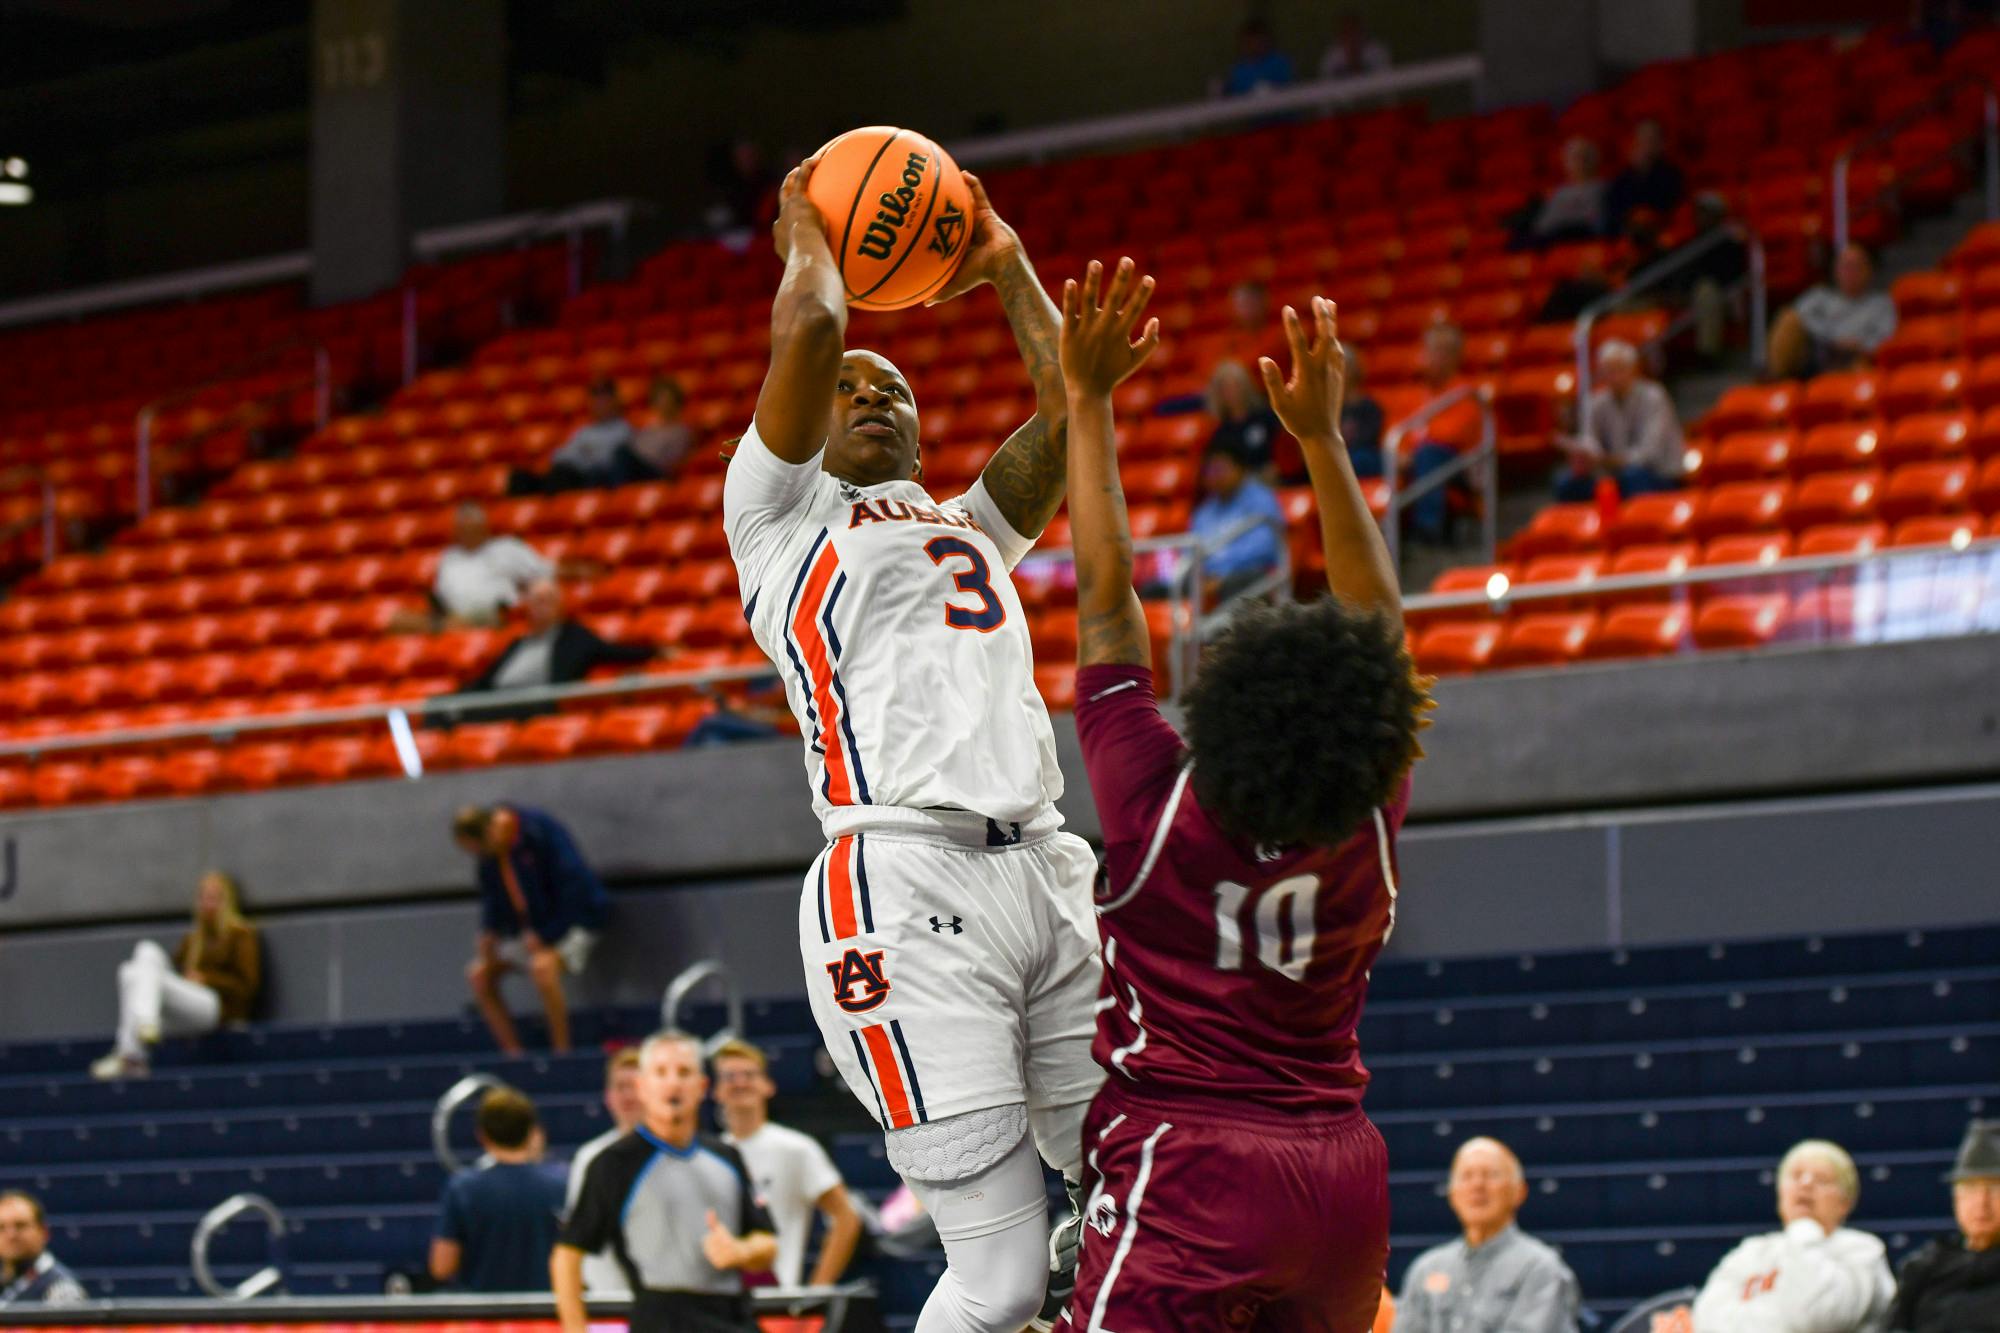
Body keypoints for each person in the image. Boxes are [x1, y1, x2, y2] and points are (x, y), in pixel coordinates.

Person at [724, 155, 1105, 1333]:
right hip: (899, 876)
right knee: (999, 1278)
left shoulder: (969, 522)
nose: (869, 392)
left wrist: (1005, 263)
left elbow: (1074, 412)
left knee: (1131, 1196)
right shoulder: (775, 517)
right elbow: (812, 323)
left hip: (1045, 862)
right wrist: (805, 221)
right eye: (848, 387)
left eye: (891, 385)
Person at [1055, 270, 1428, 1328]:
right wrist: (1323, 441)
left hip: (1191, 1161)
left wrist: (1086, 398)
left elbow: (1106, 597)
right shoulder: (1367, 808)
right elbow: (1380, 634)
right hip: (1341, 1179)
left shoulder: (1155, 801)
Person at [554, 1031, 777, 1333]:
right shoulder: (614, 1163)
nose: (673, 1083)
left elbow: (767, 1241)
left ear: (702, 1086)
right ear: (642, 1087)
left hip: (733, 1315)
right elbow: (567, 1256)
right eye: (661, 1072)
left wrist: (740, 1251)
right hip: (661, 1319)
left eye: (684, 1072)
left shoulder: (727, 1156)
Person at [1692, 1138, 1896, 1332]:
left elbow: (1819, 1317)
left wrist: (1805, 1231)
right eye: (1796, 1176)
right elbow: (1707, 1320)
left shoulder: (1862, 1250)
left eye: (1822, 1180)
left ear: (1845, 1202)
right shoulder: (1751, 1251)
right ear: (1780, 1193)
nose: (1805, 1184)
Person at [454, 803, 610, 1055]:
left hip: (576, 923)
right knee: (479, 975)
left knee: (542, 968)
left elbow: (575, 890)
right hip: (532, 935)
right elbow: (492, 899)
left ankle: (562, 1055)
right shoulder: (488, 857)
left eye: (481, 848)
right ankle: (515, 1057)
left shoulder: (538, 831)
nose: (481, 855)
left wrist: (548, 935)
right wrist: (489, 932)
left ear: (493, 830)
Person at [711, 1038, 863, 1289]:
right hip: (717, 1296)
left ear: (768, 1085)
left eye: (749, 1074)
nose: (740, 1082)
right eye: (729, 1076)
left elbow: (846, 1217)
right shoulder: (709, 1154)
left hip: (776, 1297)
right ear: (715, 1090)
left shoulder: (796, 1148)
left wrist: (817, 1290)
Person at [1396, 1138, 1582, 1333]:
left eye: (1491, 1175)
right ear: (1452, 1193)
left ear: (1519, 1191)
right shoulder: (1426, 1268)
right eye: (1466, 1176)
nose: (1477, 1185)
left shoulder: (1542, 1268)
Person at [90, 871, 260, 1079]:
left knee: (136, 973)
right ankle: (140, 1036)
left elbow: (248, 986)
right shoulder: (193, 939)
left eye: (214, 898)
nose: (208, 904)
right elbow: (171, 972)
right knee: (140, 959)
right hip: (185, 1010)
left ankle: (132, 1049)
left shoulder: (240, 935)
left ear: (227, 901)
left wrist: (207, 979)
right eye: (203, 898)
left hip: (215, 1008)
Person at [431, 1086, 566, 1294]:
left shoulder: (463, 1188)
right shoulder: (561, 1183)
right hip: (546, 1308)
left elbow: (441, 1266)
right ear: (531, 1131)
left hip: (484, 1309)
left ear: (482, 1135)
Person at [1888, 1120, 2000, 1331]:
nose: (1982, 1203)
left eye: (1995, 1188)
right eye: (1970, 1188)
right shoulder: (1925, 1267)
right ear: (1956, 1198)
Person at [459, 578, 658, 696]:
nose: (541, 607)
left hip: (536, 703)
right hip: (497, 699)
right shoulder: (518, 642)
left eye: (547, 601)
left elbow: (614, 651)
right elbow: (488, 680)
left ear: (559, 606)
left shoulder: (575, 638)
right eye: (536, 601)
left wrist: (657, 651)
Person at [1555, 339, 1684, 501]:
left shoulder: (1654, 397)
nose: (1613, 376)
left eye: (1618, 369)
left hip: (1659, 474)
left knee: (1634, 476)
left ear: (1633, 369)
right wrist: (1582, 453)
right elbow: (1590, 440)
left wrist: (1609, 460)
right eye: (1608, 371)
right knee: (1566, 482)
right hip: (1615, 473)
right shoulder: (1597, 402)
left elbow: (1649, 455)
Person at [397, 502, 556, 632]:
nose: (467, 532)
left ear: (483, 527)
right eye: (462, 527)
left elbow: (544, 574)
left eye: (471, 526)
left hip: (496, 615)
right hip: (453, 619)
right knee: (400, 620)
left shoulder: (506, 547)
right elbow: (440, 597)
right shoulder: (449, 557)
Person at [566, 1048, 644, 1298]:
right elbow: (576, 1235)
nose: (628, 1095)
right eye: (620, 1087)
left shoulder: (672, 1154)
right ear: (608, 1096)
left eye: (634, 1086)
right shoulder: (590, 1157)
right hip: (606, 1295)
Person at [1403, 320, 1483, 545]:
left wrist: (1412, 448)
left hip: (1462, 468)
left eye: (1440, 351)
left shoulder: (1466, 393)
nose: (1431, 357)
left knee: (1429, 453)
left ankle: (1428, 530)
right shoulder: (1414, 393)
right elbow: (1395, 431)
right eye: (1429, 350)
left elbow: (1452, 435)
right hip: (1414, 462)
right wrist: (1403, 452)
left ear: (1455, 357)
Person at [1769, 243, 1898, 378]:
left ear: (1869, 270)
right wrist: (1831, 338)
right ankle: (1776, 380)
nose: (1850, 272)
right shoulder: (1819, 296)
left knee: (1863, 367)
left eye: (1856, 266)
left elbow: (1885, 339)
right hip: (1815, 354)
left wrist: (1860, 345)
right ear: (1836, 270)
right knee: (1788, 319)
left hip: (1853, 357)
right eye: (1845, 266)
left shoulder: (1881, 304)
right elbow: (1796, 318)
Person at [1191, 439, 1286, 602]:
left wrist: (1221, 574)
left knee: (1241, 582)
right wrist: (1205, 576)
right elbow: (1191, 552)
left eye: (1221, 469)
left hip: (1249, 574)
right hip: (1209, 578)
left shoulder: (1261, 500)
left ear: (1241, 469)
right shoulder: (1203, 512)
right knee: (1157, 589)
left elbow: (1264, 548)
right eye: (1210, 470)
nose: (1215, 476)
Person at [509, 379, 635, 495]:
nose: (599, 404)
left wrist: (581, 455)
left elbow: (606, 460)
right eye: (596, 399)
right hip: (562, 474)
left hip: (583, 479)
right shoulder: (584, 431)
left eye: (604, 399)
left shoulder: (623, 429)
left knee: (561, 477)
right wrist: (584, 453)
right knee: (519, 478)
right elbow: (559, 456)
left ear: (615, 401)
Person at [1518, 137, 1608, 249]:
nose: (1580, 163)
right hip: (1553, 240)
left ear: (1595, 160)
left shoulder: (1604, 189)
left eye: (1584, 157)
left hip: (1583, 238)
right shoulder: (1559, 193)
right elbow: (1543, 226)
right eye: (1574, 158)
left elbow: (1595, 223)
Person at [0, 1192, 85, 1306]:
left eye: (20, 1226)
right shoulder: (6, 1280)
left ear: (44, 1232)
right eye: (1, 1227)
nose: (11, 1235)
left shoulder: (62, 1290)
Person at [1605, 119, 1685, 233]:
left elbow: (1668, 207)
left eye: (1652, 139)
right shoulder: (1622, 179)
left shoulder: (1672, 175)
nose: (1647, 145)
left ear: (1662, 144)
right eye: (1643, 140)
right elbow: (1615, 213)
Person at [1206, 359, 1283, 475]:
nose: (1232, 392)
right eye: (1225, 388)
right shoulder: (1221, 434)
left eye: (1236, 385)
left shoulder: (1267, 416)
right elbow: (1216, 471)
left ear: (1246, 386)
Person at [625, 377, 694, 483]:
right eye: (660, 399)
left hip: (658, 472)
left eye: (666, 398)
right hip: (638, 468)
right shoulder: (649, 428)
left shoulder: (681, 431)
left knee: (622, 454)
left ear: (676, 401)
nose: (663, 403)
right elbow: (636, 448)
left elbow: (673, 461)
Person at [1338, 344, 1386, 480]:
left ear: (1354, 370)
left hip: (1363, 460)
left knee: (1358, 459)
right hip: (1340, 457)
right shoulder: (1328, 409)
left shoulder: (1370, 407)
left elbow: (1368, 440)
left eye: (1343, 366)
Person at [1219, 18, 1294, 96]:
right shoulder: (1238, 70)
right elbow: (1232, 94)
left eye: (1256, 40)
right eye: (1248, 42)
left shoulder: (1279, 63)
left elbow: (1289, 88)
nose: (1253, 45)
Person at [1319, 12, 1390, 79]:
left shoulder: (1377, 52)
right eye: (1347, 32)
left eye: (1354, 31)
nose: (1351, 37)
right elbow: (1325, 81)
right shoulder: (1331, 56)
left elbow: (1386, 79)